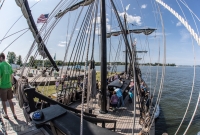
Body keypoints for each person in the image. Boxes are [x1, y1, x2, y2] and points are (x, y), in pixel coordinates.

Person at [0, 53, 16, 119]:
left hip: (3, 86)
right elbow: (12, 75)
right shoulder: (9, 65)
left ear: (1, 57)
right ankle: (14, 114)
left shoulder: (0, 65)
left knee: (3, 101)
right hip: (9, 85)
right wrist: (12, 84)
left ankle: (6, 115)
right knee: (10, 101)